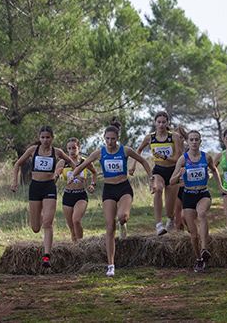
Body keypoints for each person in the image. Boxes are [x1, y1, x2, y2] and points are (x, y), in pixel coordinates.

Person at [69, 118, 155, 277]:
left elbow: (143, 161)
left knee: (122, 217)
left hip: (123, 188)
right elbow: (82, 165)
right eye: (107, 138)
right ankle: (111, 264)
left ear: (117, 138)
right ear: (104, 138)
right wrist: (73, 175)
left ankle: (124, 224)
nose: (110, 141)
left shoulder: (125, 150)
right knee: (109, 227)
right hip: (108, 190)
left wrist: (151, 179)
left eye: (113, 139)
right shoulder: (99, 152)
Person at [10, 126, 77, 268]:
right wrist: (15, 181)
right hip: (35, 188)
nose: (45, 140)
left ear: (52, 138)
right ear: (39, 138)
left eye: (48, 137)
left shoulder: (57, 152)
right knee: (35, 228)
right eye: (43, 137)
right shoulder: (32, 150)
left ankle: (46, 256)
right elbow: (17, 164)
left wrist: (73, 175)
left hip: (49, 187)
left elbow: (71, 162)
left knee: (47, 222)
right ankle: (41, 213)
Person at [170, 130, 227, 273]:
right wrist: (179, 174)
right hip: (188, 195)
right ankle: (199, 260)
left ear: (200, 141)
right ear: (187, 142)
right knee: (194, 235)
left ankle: (204, 249)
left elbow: (214, 170)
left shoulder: (206, 157)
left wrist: (220, 186)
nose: (194, 142)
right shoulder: (183, 159)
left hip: (203, 194)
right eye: (192, 140)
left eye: (197, 140)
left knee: (201, 213)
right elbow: (171, 181)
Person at [129, 112, 184, 235]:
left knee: (170, 211)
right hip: (158, 170)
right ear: (155, 123)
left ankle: (170, 219)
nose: (161, 124)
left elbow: (179, 158)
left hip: (173, 172)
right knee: (158, 189)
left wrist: (165, 157)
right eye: (158, 122)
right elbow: (138, 151)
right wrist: (133, 165)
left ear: (167, 123)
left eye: (163, 122)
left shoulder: (173, 136)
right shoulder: (150, 137)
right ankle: (158, 225)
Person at [54, 138, 97, 243]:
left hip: (80, 195)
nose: (72, 151)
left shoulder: (84, 162)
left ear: (79, 148)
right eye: (69, 149)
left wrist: (92, 184)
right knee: (72, 228)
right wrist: (57, 174)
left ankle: (81, 245)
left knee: (76, 220)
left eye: (74, 148)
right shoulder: (62, 162)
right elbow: (53, 181)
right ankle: (75, 248)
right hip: (68, 195)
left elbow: (95, 173)